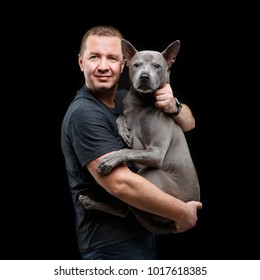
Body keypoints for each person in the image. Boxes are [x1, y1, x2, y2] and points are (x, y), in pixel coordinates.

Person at [61, 25, 202, 260]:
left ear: (121, 64)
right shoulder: (84, 114)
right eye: (94, 57)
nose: (104, 66)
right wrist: (183, 213)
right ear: (81, 63)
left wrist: (174, 106)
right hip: (110, 246)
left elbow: (189, 124)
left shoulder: (124, 101)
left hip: (138, 233)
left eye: (112, 58)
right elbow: (121, 185)